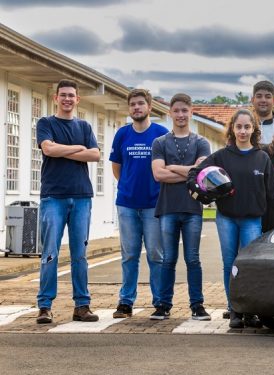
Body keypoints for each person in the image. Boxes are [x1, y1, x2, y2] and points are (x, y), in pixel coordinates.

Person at [187, 108, 274, 329]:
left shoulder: (262, 158)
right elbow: (195, 174)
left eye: (247, 127)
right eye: (238, 127)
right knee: (229, 263)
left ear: (254, 129)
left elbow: (272, 195)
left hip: (252, 220)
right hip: (226, 218)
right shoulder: (221, 156)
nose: (243, 131)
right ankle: (234, 309)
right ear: (232, 129)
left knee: (249, 265)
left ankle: (250, 310)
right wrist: (200, 191)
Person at [35, 79, 101, 324]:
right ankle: (44, 306)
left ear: (77, 99)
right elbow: (48, 150)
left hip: (82, 196)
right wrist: (77, 148)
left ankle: (82, 306)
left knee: (80, 254)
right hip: (54, 196)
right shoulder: (45, 123)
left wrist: (63, 149)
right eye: (63, 95)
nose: (67, 99)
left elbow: (95, 154)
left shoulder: (84, 125)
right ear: (56, 98)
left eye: (71, 95)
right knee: (50, 252)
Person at [151, 93, 211, 321]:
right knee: (168, 259)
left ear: (191, 112)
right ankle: (163, 305)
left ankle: (197, 305)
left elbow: (201, 175)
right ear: (170, 113)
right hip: (168, 208)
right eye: (176, 110)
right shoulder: (160, 143)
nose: (181, 115)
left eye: (185, 110)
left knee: (193, 259)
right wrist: (188, 171)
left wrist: (172, 167)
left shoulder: (201, 142)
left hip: (193, 209)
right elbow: (158, 174)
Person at [109, 89, 169, 318]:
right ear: (129, 108)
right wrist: (128, 185)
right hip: (126, 204)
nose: (136, 107)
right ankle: (126, 302)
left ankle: (160, 301)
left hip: (154, 204)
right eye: (133, 104)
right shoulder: (122, 134)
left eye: (141, 104)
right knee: (129, 255)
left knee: (155, 255)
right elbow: (117, 168)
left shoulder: (161, 134)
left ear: (149, 107)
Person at [252, 80, 274, 145]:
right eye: (259, 96)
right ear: (252, 100)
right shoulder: (244, 124)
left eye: (268, 97)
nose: (263, 100)